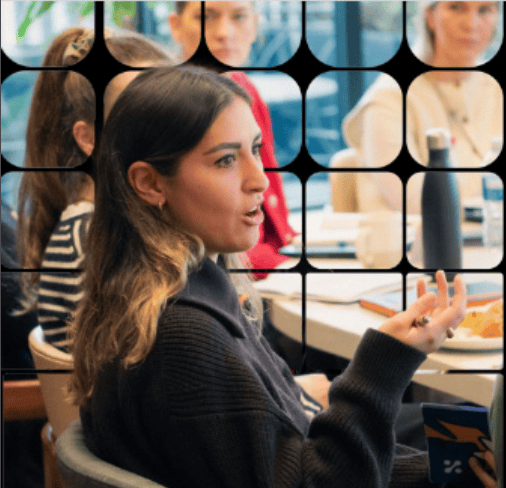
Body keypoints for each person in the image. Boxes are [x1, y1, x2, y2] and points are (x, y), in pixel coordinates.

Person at [68, 65, 493, 487]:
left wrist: (448, 475)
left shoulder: (172, 296)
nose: (260, 180)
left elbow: (300, 450)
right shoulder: (186, 336)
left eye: (256, 149)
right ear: (150, 183)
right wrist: (383, 363)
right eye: (226, 160)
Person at [15, 27, 171, 351]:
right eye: (140, 120)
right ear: (89, 138)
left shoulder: (114, 225)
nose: (167, 136)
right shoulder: (92, 241)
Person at [169, 1, 297, 276]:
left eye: (239, 17)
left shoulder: (243, 88)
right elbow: (205, 241)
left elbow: (272, 205)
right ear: (176, 26)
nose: (224, 32)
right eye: (206, 17)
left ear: (255, 26)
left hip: (270, 261)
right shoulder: (174, 108)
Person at [341, 1, 502, 215]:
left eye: (484, 10)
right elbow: (418, 203)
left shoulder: (494, 88)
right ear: (429, 16)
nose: (471, 24)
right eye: (456, 8)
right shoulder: (389, 97)